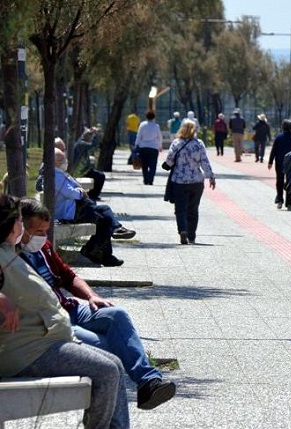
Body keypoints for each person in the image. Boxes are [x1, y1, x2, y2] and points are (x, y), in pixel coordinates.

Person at [19, 198, 176, 409]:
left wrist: (92, 296)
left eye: (45, 231)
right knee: (111, 356)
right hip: (53, 322)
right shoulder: (11, 257)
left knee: (116, 315)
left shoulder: (43, 247)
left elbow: (68, 276)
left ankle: (149, 382)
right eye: (37, 231)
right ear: (20, 227)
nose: (42, 237)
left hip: (70, 309)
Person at [0, 194, 130, 428]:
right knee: (108, 371)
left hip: (45, 342)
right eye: (20, 220)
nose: (22, 225)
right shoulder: (2, 255)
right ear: (10, 224)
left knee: (115, 365)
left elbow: (66, 275)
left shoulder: (12, 253)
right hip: (28, 351)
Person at [50, 148, 136, 266]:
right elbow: (70, 192)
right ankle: (100, 252)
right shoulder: (55, 175)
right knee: (105, 220)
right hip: (70, 213)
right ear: (52, 161)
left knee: (105, 211)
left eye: (63, 158)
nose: (64, 161)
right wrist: (80, 192)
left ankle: (110, 240)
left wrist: (79, 190)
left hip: (75, 209)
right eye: (60, 159)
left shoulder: (58, 173)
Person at [163, 120, 216, 245]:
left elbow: (169, 161)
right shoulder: (199, 144)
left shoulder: (176, 143)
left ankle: (182, 230)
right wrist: (211, 177)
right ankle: (191, 236)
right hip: (196, 182)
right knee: (193, 209)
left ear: (181, 129)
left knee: (180, 209)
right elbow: (205, 162)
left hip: (179, 181)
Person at [268, 119, 291, 210]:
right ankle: (289, 203)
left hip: (280, 162)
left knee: (279, 181)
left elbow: (274, 150)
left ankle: (280, 200)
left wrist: (270, 162)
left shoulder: (278, 137)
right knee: (290, 182)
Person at [71, 127, 106, 200]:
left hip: (85, 170)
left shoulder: (82, 143)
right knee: (100, 176)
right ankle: (92, 196)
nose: (91, 137)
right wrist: (96, 135)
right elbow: (93, 145)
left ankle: (92, 195)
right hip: (80, 172)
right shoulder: (81, 144)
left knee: (100, 175)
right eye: (90, 135)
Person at [134, 110, 162, 185]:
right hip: (153, 148)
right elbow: (159, 137)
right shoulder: (156, 126)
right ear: (154, 117)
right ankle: (151, 179)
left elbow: (139, 136)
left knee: (144, 165)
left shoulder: (142, 125)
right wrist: (160, 146)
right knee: (153, 165)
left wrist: (136, 145)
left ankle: (146, 179)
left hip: (143, 147)